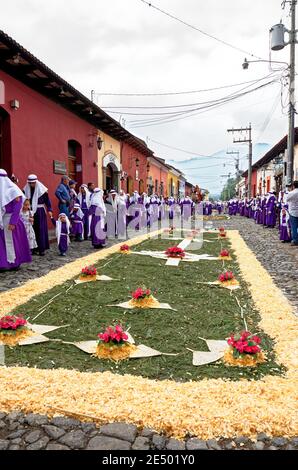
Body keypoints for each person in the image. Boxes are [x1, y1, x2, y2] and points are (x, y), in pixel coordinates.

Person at [0, 169, 31, 271]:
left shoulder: (13, 190)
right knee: (3, 243)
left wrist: (13, 222)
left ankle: (14, 263)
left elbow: (17, 207)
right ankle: (4, 263)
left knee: (13, 242)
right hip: (2, 221)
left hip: (11, 221)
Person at [24, 174, 53, 256]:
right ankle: (33, 248)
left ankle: (41, 248)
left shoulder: (42, 190)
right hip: (30, 211)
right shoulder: (25, 190)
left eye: (33, 183)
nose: (31, 184)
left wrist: (49, 209)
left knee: (40, 229)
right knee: (31, 230)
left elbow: (47, 201)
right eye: (30, 183)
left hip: (40, 211)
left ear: (36, 182)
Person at [287, 181, 298, 246]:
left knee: (294, 227)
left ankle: (295, 240)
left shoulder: (291, 193)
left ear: (293, 186)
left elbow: (287, 200)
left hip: (293, 211)